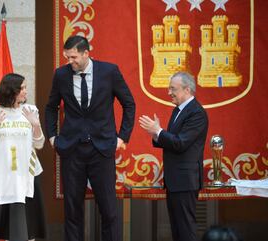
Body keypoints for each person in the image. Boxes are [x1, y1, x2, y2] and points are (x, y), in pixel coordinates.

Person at [45, 35, 135, 241]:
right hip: (71, 150)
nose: (70, 62)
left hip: (102, 149)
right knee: (72, 210)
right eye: (67, 57)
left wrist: (122, 137)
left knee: (109, 209)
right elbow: (50, 107)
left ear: (86, 53)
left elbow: (129, 104)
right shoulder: (61, 75)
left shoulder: (109, 71)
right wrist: (52, 137)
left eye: (74, 57)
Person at [139, 71, 208, 241]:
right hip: (175, 180)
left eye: (173, 89)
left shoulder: (196, 113)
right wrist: (157, 135)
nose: (169, 92)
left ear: (187, 90)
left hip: (185, 181)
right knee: (177, 229)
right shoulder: (178, 110)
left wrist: (159, 131)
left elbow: (180, 143)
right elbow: (172, 141)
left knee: (186, 229)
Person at [0, 73, 46, 241]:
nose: (25, 91)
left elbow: (39, 145)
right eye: (22, 88)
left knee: (27, 228)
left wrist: (36, 125)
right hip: (2, 176)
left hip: (27, 175)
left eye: (25, 87)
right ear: (11, 91)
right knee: (1, 228)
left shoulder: (30, 111)